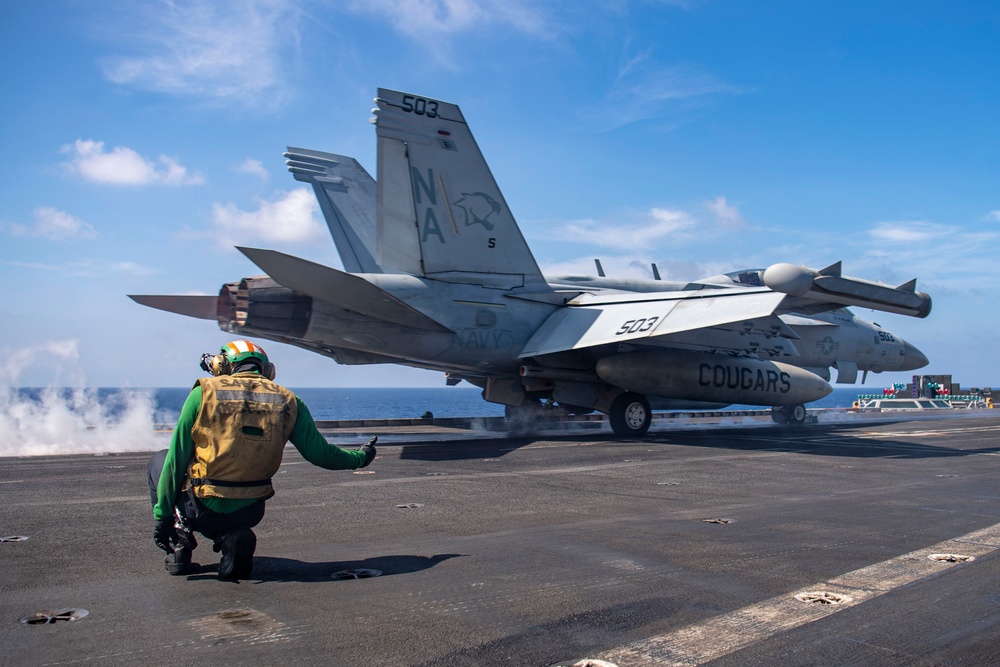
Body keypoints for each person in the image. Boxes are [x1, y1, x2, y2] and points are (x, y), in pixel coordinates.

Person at [147, 339, 376, 579]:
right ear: (267, 370)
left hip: (204, 509)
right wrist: (360, 457)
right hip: (252, 508)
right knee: (225, 504)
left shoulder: (203, 392)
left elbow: (175, 462)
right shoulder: (290, 401)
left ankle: (180, 544)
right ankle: (231, 537)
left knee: (160, 461)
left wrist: (162, 518)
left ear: (222, 364)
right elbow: (321, 455)